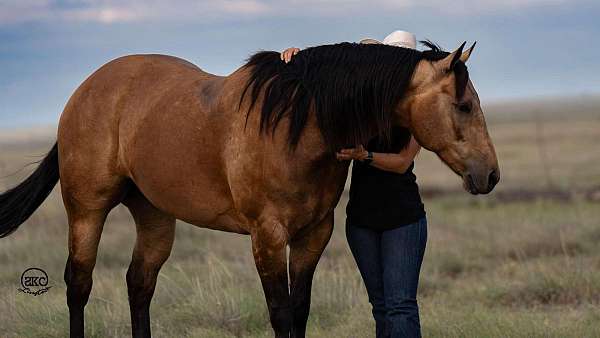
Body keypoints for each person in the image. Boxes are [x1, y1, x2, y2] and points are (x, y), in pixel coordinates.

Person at [281, 30, 427, 338]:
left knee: (400, 305)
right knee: (380, 305)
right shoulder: (361, 106)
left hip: (402, 219)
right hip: (362, 220)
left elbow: (402, 162)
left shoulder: (416, 114)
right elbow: (330, 79)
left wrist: (364, 155)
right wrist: (299, 57)